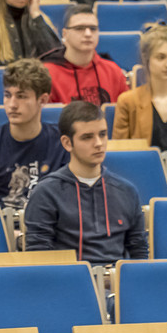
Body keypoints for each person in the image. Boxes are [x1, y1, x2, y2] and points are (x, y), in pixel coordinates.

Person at [23, 101, 149, 264]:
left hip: (117, 278)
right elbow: (39, 255)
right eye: (87, 137)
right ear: (67, 143)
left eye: (102, 134)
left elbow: (139, 251)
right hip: (69, 278)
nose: (98, 143)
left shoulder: (127, 191)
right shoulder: (46, 192)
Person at [0, 59, 67, 213]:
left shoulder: (61, 142)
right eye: (7, 95)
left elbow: (70, 200)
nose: (12, 104)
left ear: (43, 100)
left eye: (21, 96)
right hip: (2, 223)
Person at [42, 5, 127, 105]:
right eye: (79, 28)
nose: (88, 34)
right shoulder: (48, 74)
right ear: (65, 34)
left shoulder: (113, 71)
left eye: (93, 28)